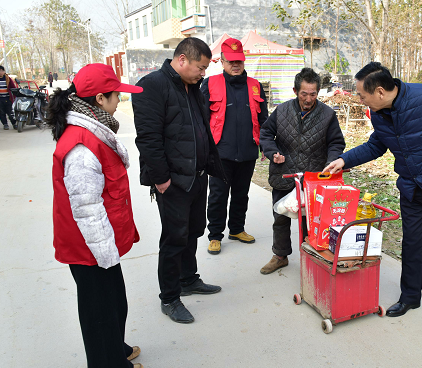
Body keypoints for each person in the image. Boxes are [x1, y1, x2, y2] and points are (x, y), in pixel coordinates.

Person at [324, 62, 422, 317]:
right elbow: (375, 146)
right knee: (411, 243)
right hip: (411, 188)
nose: (360, 100)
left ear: (380, 92)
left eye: (362, 95)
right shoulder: (380, 113)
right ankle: (410, 296)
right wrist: (344, 160)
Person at [48, 63, 144, 368]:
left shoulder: (92, 129)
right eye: (116, 95)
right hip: (89, 246)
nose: (120, 101)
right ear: (100, 99)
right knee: (99, 310)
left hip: (100, 244)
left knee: (115, 300)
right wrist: (105, 254)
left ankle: (117, 349)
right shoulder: (80, 145)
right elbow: (86, 207)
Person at [133, 37, 226, 324]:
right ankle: (170, 298)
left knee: (193, 231)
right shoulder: (152, 86)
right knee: (174, 239)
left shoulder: (193, 87)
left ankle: (188, 278)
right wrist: (161, 180)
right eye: (200, 67)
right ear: (183, 59)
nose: (203, 73)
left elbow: (200, 129)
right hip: (172, 181)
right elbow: (148, 138)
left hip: (197, 177)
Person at [259, 67, 345, 274]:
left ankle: (313, 259)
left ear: (318, 92)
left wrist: (332, 161)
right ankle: (280, 255)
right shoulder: (282, 110)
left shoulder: (327, 114)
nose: (308, 99)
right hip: (284, 172)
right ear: (295, 91)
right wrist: (272, 152)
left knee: (312, 222)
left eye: (313, 94)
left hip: (313, 177)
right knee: (280, 217)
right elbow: (266, 134)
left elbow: (336, 142)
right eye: (304, 93)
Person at [200, 38, 268, 255]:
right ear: (222, 61)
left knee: (242, 193)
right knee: (218, 195)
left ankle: (237, 229)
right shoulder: (209, 84)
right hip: (221, 152)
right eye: (231, 61)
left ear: (244, 60)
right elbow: (200, 119)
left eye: (239, 61)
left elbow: (264, 119)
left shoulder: (256, 86)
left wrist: (265, 145)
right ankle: (215, 235)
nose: (235, 65)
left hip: (248, 151)